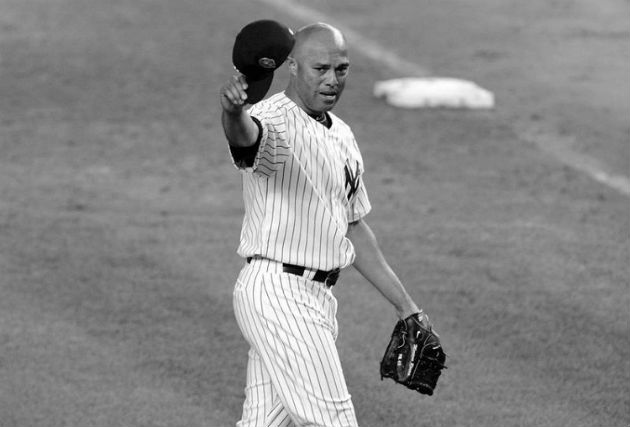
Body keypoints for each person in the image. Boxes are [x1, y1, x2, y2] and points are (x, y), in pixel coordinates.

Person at [219, 21, 432, 427]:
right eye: (321, 69)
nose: (333, 80)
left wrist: (407, 308)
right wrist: (232, 112)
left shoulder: (344, 136)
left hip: (315, 300)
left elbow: (353, 228)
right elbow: (247, 137)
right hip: (279, 295)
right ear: (292, 67)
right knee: (333, 421)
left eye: (342, 69)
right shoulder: (273, 121)